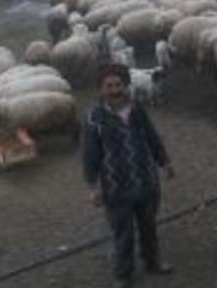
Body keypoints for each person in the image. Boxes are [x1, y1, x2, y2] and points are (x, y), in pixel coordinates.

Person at [82, 63, 175, 288]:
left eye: (118, 85)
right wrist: (93, 186)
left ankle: (152, 261)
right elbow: (90, 154)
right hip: (115, 186)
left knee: (148, 225)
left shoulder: (137, 109)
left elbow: (152, 137)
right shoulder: (94, 118)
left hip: (146, 180)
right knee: (122, 232)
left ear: (126, 85)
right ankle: (123, 273)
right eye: (109, 86)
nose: (114, 90)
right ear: (101, 89)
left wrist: (165, 163)